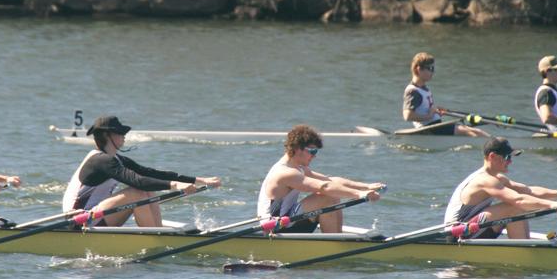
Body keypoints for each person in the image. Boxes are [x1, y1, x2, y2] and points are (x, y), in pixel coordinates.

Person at [61, 115, 222, 226]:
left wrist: (199, 180)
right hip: (79, 220)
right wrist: (175, 185)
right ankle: (154, 238)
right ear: (107, 135)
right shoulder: (101, 160)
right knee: (137, 192)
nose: (124, 135)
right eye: (120, 132)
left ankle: (157, 231)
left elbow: (151, 173)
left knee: (148, 190)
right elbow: (137, 181)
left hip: (95, 216)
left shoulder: (115, 159)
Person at [443, 137, 557, 239]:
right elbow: (519, 200)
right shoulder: (484, 180)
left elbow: (528, 191)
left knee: (517, 206)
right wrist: (551, 205)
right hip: (457, 233)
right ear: (492, 156)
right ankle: (524, 252)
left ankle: (523, 245)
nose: (510, 161)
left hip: (473, 228)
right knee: (514, 207)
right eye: (507, 157)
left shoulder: (497, 178)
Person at [257, 124, 384, 233]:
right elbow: (324, 187)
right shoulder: (285, 173)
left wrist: (366, 187)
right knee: (326, 197)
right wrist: (359, 194)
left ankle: (337, 239)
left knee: (333, 194)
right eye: (312, 151)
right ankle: (334, 245)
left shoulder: (298, 168)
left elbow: (330, 181)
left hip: (286, 220)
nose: (314, 156)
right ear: (297, 149)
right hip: (273, 228)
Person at [402, 52, 489, 136]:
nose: (433, 72)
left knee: (475, 131)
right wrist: (429, 116)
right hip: (430, 129)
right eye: (430, 68)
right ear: (418, 69)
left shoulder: (423, 88)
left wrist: (435, 110)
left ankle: (492, 143)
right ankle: (493, 143)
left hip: (436, 126)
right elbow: (407, 116)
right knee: (475, 132)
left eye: (433, 69)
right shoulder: (413, 91)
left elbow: (424, 109)